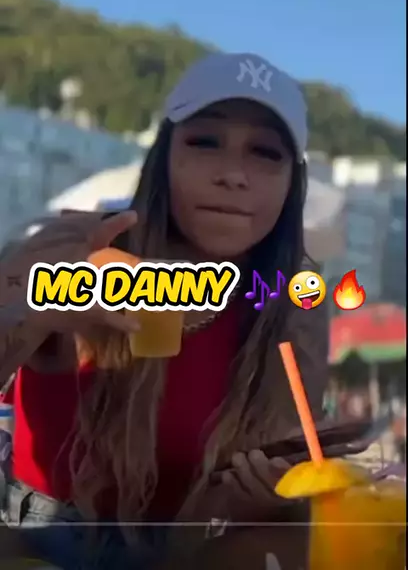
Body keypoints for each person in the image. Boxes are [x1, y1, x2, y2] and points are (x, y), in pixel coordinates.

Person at [0, 51, 329, 569]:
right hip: (45, 537)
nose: (233, 175)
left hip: (193, 544)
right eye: (205, 141)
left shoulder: (292, 302)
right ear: (163, 158)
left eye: (266, 152)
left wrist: (262, 498)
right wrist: (23, 313)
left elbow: (283, 476)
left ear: (293, 183)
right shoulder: (87, 253)